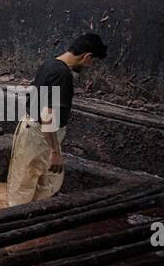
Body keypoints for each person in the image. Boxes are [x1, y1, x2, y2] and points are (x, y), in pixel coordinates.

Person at [6, 32, 108, 206]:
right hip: (39, 134)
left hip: (35, 131)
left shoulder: (50, 64)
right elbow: (47, 116)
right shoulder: (62, 74)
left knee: (42, 184)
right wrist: (55, 152)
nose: (90, 66)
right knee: (24, 188)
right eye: (93, 62)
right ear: (87, 56)